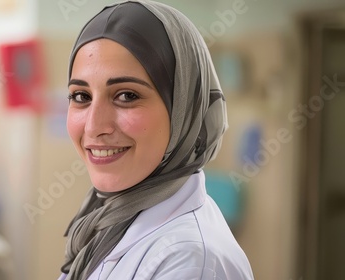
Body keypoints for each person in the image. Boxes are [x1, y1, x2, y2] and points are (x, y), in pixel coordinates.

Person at [59, 1, 254, 280]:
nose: (94, 126)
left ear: (183, 109)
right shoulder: (109, 220)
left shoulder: (193, 262)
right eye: (81, 96)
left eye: (126, 95)